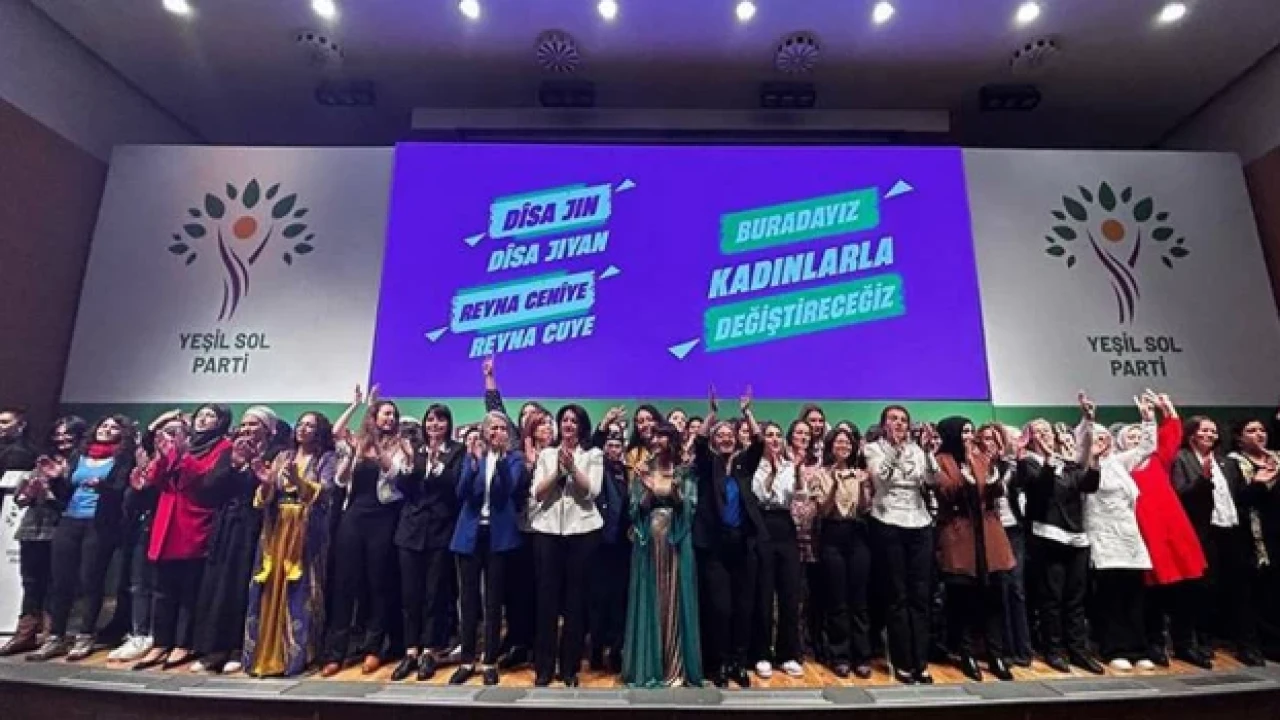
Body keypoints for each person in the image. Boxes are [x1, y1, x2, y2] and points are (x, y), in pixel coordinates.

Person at [27, 415, 137, 662]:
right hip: (70, 520)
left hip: (99, 525)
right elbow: (66, 493)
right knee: (61, 581)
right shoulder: (79, 456)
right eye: (103, 425)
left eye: (114, 427)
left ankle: (85, 635)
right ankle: (56, 636)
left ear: (122, 434)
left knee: (90, 580)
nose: (106, 430)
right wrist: (56, 478)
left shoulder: (123, 459)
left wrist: (102, 487)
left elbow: (122, 492)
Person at [130, 405, 232, 670]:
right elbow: (157, 480)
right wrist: (160, 459)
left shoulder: (224, 447)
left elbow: (208, 483)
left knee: (189, 590)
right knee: (162, 590)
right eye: (200, 415)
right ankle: (160, 642)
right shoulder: (180, 444)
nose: (203, 419)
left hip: (194, 520)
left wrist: (182, 456)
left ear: (221, 421)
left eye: (210, 416)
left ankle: (183, 643)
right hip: (166, 520)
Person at [321, 387, 412, 677]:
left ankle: (374, 648)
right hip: (354, 515)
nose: (390, 419)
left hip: (383, 517)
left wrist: (377, 447)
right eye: (385, 414)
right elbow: (336, 438)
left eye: (393, 415)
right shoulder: (357, 443)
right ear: (374, 416)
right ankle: (336, 652)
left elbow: (394, 475)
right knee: (345, 582)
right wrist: (356, 405)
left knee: (378, 582)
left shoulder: (400, 445)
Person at [243, 411, 337, 677]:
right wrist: (265, 484)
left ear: (319, 432)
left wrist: (299, 482)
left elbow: (326, 493)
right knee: (268, 586)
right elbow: (265, 497)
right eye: (301, 424)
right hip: (276, 530)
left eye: (310, 426)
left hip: (305, 532)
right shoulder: (283, 456)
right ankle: (262, 653)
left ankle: (296, 656)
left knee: (301, 589)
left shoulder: (326, 459)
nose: (303, 429)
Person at [190, 406, 281, 674]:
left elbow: (276, 493)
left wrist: (258, 472)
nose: (248, 429)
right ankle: (213, 648)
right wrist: (234, 464)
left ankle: (240, 649)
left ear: (268, 429)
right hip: (227, 526)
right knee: (217, 586)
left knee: (242, 587)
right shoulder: (230, 453)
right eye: (245, 424)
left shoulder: (276, 453)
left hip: (257, 527)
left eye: (254, 424)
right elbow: (208, 490)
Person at [1018, 395, 1103, 675]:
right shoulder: (1029, 463)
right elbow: (1039, 490)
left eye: (1047, 430)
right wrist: (1048, 460)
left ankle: (1078, 650)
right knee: (1052, 598)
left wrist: (1094, 461)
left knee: (1075, 598)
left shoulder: (1067, 463)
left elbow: (1087, 485)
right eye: (1037, 431)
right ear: (1029, 438)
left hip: (1076, 537)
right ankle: (1053, 650)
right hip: (1047, 536)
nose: (1044, 435)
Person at [1172, 415, 1264, 667]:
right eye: (1204, 430)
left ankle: (1246, 646)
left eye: (1213, 431)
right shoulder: (1181, 459)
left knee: (1239, 590)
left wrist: (1259, 483)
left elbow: (1239, 497)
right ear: (1192, 434)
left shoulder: (1227, 462)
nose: (1210, 435)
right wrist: (1203, 478)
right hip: (1202, 532)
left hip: (1232, 531)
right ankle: (1197, 642)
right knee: (1201, 589)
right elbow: (1181, 495)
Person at [1119, 394, 1204, 667]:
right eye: (1131, 437)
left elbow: (1171, 435)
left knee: (1186, 588)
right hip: (1146, 531)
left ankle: (1185, 643)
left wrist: (1168, 410)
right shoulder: (1121, 466)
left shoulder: (1159, 459)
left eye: (1140, 435)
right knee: (1153, 592)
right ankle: (1155, 644)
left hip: (1174, 528)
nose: (1137, 439)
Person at [691, 387, 765, 688]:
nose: (725, 438)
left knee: (743, 608)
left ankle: (738, 662)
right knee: (720, 608)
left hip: (743, 545)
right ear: (714, 441)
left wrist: (747, 413)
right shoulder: (708, 467)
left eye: (729, 435)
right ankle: (720, 662)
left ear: (736, 439)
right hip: (715, 548)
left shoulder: (745, 466)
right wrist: (712, 414)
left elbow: (759, 442)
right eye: (719, 435)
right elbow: (698, 442)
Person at [933, 417, 1015, 682]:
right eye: (964, 431)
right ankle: (966, 653)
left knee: (994, 598)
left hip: (989, 535)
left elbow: (995, 491)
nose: (969, 436)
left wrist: (990, 472)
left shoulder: (982, 458)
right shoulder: (940, 460)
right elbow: (948, 492)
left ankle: (996, 654)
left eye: (971, 431)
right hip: (959, 535)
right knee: (963, 600)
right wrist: (967, 473)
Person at [449, 410, 528, 686]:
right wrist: (472, 463)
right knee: (468, 599)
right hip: (470, 534)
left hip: (498, 536)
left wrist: (502, 459)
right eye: (493, 428)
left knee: (493, 601)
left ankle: (490, 661)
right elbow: (462, 493)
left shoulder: (514, 459)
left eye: (502, 428)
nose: (498, 432)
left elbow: (507, 491)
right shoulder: (473, 457)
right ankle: (466, 660)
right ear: (484, 432)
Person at [622, 422, 702, 688]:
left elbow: (688, 508)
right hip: (649, 542)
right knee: (651, 597)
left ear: (672, 441)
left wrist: (676, 491)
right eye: (654, 437)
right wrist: (646, 489)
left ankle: (675, 664)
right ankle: (649, 665)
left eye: (663, 437)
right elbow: (635, 511)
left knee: (675, 596)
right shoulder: (642, 470)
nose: (657, 441)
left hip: (676, 541)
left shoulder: (683, 471)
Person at [529, 404, 604, 686]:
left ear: (581, 426)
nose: (568, 424)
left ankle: (570, 667)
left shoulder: (593, 455)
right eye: (564, 420)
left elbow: (592, 492)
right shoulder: (547, 454)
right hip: (548, 532)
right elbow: (537, 493)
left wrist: (573, 468)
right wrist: (558, 471)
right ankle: (544, 667)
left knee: (576, 601)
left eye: (574, 421)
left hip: (582, 532)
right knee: (545, 601)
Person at [1083, 393, 1158, 672]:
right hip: (1104, 538)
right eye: (1096, 438)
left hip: (1130, 538)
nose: (1103, 442)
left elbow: (1146, 448)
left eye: (1105, 437)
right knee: (1110, 597)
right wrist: (1088, 423)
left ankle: (1139, 648)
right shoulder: (1083, 466)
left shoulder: (1118, 462)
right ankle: (1114, 648)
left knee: (1134, 596)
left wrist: (1148, 419)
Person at [864, 405, 937, 685]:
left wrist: (928, 453)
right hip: (888, 521)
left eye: (903, 420)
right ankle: (903, 661)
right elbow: (880, 478)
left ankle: (921, 662)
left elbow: (931, 480)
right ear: (884, 424)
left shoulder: (917, 450)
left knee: (920, 595)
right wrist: (894, 451)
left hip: (919, 522)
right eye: (893, 419)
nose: (899, 424)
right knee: (897, 595)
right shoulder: (873, 449)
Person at [392, 404, 464, 682]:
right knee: (410, 594)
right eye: (430, 420)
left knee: (436, 594)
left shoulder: (457, 451)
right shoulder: (415, 450)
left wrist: (437, 466)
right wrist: (410, 465)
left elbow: (455, 486)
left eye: (440, 420)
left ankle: (431, 651)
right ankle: (411, 650)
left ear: (448, 424)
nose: (435, 425)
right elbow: (403, 487)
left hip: (440, 531)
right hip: (410, 531)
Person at [1, 414, 79, 657]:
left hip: (61, 529)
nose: (62, 439)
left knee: (56, 583)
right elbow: (20, 499)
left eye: (68, 434)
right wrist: (28, 492)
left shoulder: (80, 463)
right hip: (32, 528)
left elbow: (73, 502)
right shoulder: (43, 459)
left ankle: (52, 633)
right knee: (31, 582)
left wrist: (51, 490)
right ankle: (25, 632)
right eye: (58, 434)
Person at [106, 412, 178, 664]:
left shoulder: (179, 460)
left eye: (173, 433)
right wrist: (139, 484)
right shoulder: (144, 459)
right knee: (137, 583)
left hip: (168, 526)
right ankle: (139, 633)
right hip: (140, 525)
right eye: (162, 433)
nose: (165, 437)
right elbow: (131, 497)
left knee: (157, 585)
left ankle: (153, 635)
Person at [814, 426, 874, 679]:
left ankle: (863, 656)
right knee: (837, 599)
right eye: (839, 442)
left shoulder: (860, 473)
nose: (843, 446)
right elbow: (823, 510)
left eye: (847, 443)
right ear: (830, 446)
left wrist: (862, 486)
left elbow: (864, 508)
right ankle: (840, 656)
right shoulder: (821, 474)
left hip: (857, 533)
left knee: (859, 599)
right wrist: (834, 486)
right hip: (832, 534)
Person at [749, 421, 804, 680]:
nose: (773, 439)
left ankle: (787, 654)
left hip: (785, 525)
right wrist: (771, 471)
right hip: (763, 523)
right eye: (769, 435)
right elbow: (761, 494)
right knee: (763, 592)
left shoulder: (790, 465)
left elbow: (798, 496)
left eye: (777, 435)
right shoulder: (754, 465)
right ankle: (761, 653)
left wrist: (798, 469)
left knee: (789, 592)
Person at [979, 423, 1033, 668]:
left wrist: (1019, 458)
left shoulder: (1011, 466)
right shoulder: (976, 466)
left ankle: (1023, 649)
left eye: (995, 438)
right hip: (990, 531)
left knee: (1016, 589)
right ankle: (1003, 649)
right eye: (986, 438)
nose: (991, 443)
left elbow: (1026, 485)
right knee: (997, 589)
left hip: (1013, 530)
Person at [1228, 417, 1280, 660]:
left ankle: (1274, 643)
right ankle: (1248, 645)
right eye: (1251, 430)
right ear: (1239, 438)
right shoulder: (1233, 463)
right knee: (1248, 592)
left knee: (1274, 591)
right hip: (1248, 535)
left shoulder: (1277, 459)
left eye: (1262, 430)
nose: (1259, 434)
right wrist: (1259, 483)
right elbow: (1236, 499)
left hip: (1276, 534)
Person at [589, 421, 631, 673]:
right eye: (610, 445)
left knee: (619, 602)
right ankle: (595, 650)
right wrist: (604, 426)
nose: (613, 450)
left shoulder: (628, 473)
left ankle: (615, 651)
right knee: (598, 601)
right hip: (600, 544)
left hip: (622, 546)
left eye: (617, 446)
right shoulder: (598, 468)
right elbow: (593, 444)